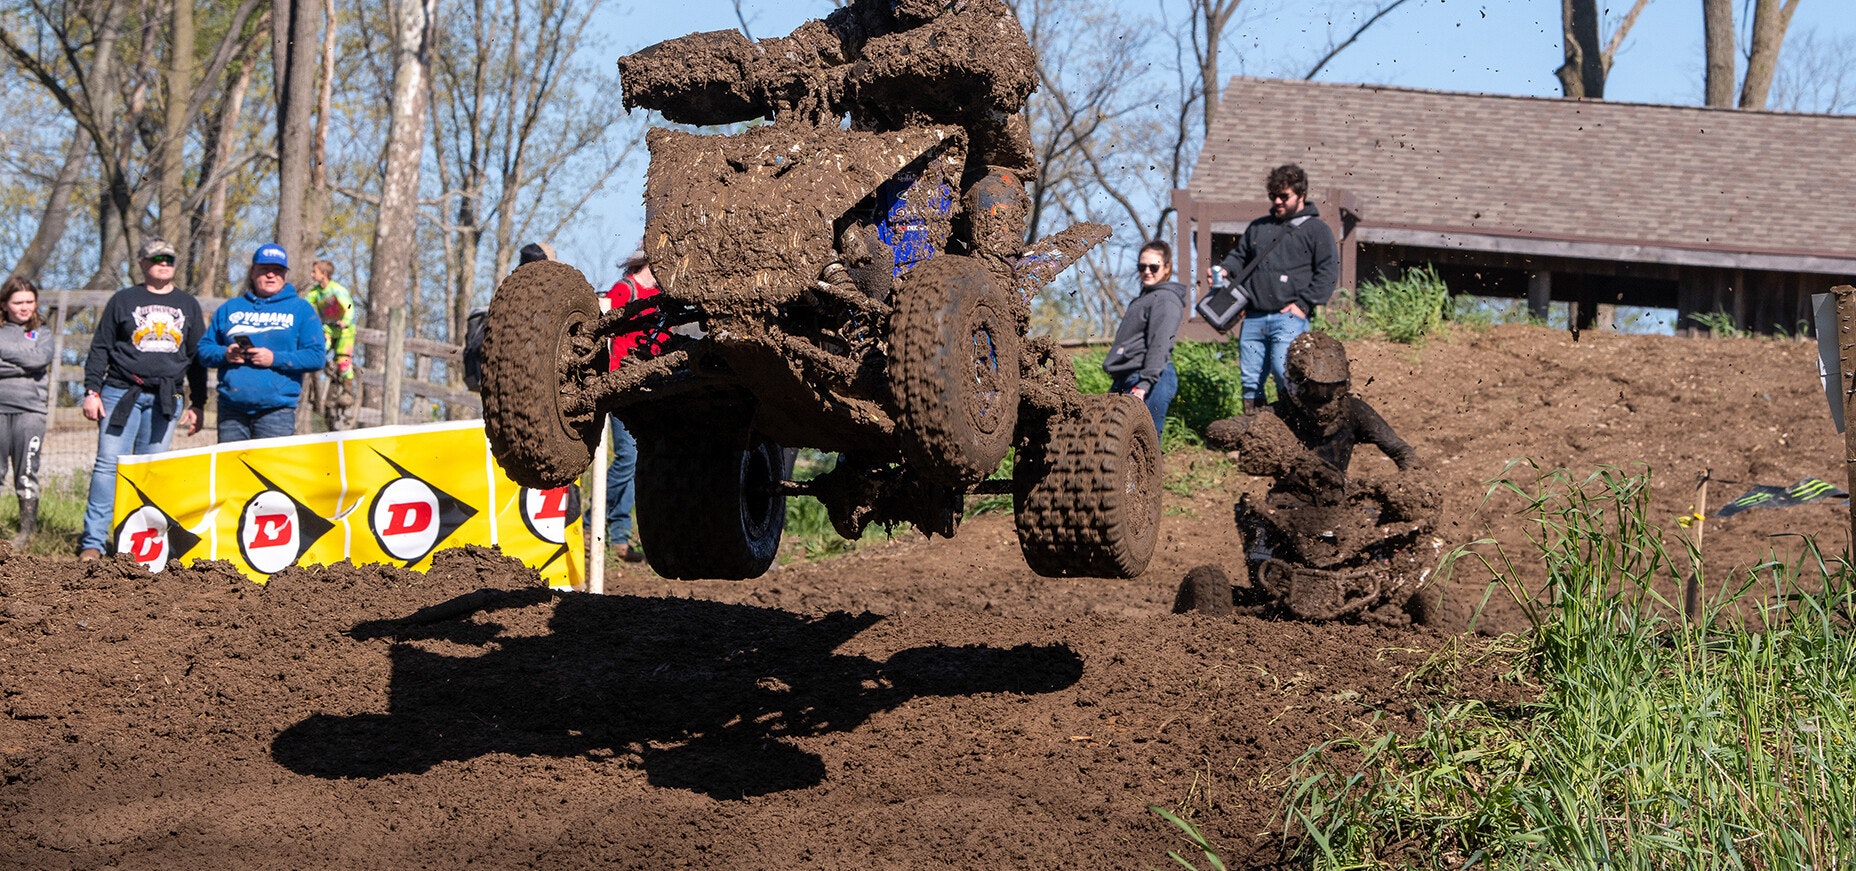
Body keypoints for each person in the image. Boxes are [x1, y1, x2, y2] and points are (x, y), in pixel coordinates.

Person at [78, 238, 208, 560]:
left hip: (167, 396)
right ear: (142, 263)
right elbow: (100, 348)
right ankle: (93, 543)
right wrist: (92, 390)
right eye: (157, 258)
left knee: (151, 471)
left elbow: (197, 357)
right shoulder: (123, 300)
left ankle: (139, 547)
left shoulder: (188, 305)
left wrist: (199, 403)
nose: (164, 263)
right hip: (121, 391)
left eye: (170, 258)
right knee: (108, 467)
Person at [1215, 164, 1339, 414]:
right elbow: (1240, 257)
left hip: (1289, 317)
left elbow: (1328, 271)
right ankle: (1253, 433)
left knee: (1287, 375)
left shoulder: (1317, 230)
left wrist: (1304, 305)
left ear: (1301, 195)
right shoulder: (1258, 227)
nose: (1278, 201)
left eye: (1284, 196)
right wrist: (1226, 269)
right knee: (1250, 383)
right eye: (1273, 196)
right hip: (1253, 317)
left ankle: (1294, 430)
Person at [196, 244, 327, 442]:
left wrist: (274, 358)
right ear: (252, 271)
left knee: (269, 473)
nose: (270, 275)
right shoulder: (231, 308)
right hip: (231, 411)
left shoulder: (301, 310)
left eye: (277, 271)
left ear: (285, 275)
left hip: (276, 413)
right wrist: (225, 354)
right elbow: (204, 350)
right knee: (232, 472)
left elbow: (316, 357)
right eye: (264, 270)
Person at [591, 246, 667, 563]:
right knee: (628, 457)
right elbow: (602, 326)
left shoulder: (663, 296)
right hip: (623, 382)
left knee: (635, 460)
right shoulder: (626, 289)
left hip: (652, 385)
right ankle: (588, 522)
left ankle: (619, 536)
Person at [1101, 240, 1189, 438]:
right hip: (1128, 377)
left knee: (1142, 445)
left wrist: (1144, 385)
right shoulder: (1145, 298)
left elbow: (1160, 344)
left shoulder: (1165, 299)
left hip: (1148, 379)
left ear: (1167, 267)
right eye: (1142, 266)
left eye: (1154, 266)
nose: (1147, 271)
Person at [0, 276, 53, 547]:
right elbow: (30, 362)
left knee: (26, 471)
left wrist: (6, 359)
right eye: (18, 302)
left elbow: (40, 358)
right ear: (5, 304)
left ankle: (26, 533)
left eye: (29, 302)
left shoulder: (42, 333)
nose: (24, 307)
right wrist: (24, 363)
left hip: (30, 412)